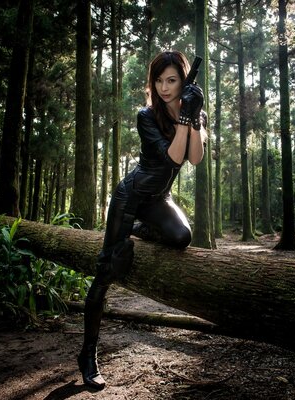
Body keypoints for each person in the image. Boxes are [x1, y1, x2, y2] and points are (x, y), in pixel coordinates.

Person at [77, 50, 207, 390]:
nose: (164, 88)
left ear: (183, 80)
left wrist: (192, 115)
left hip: (158, 200)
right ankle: (87, 354)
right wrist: (184, 120)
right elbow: (172, 158)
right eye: (159, 80)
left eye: (172, 80)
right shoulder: (146, 116)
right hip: (130, 197)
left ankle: (137, 231)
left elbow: (194, 158)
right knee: (106, 271)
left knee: (181, 236)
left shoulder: (194, 113)